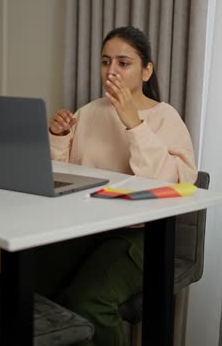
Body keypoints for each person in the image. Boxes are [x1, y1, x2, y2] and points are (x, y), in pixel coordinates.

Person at [36, 26, 197, 346]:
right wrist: (59, 137)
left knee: (89, 300)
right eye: (105, 61)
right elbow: (58, 175)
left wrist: (133, 122)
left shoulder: (166, 117)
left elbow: (169, 185)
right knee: (34, 280)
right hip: (84, 225)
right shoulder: (89, 112)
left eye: (123, 63)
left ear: (146, 70)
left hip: (142, 233)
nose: (112, 71)